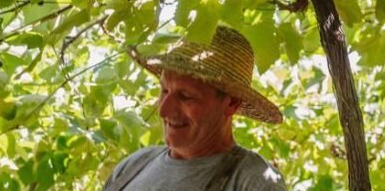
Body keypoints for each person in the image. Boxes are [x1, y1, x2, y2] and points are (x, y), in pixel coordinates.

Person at [102, 25, 288, 191]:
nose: (163, 111)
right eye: (165, 90)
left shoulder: (254, 183)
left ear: (232, 103)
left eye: (185, 96)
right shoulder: (133, 166)